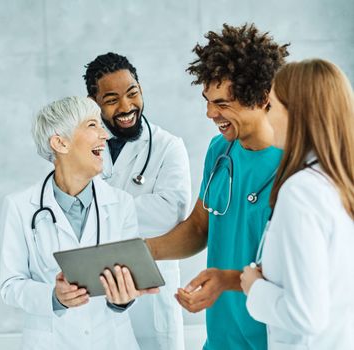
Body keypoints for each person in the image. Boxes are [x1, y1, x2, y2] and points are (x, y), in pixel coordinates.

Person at [146, 23, 289, 349]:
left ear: (262, 98)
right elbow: (200, 227)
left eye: (222, 103)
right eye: (208, 100)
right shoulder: (219, 150)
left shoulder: (295, 166)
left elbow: (298, 270)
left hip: (273, 339)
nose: (211, 113)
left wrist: (226, 281)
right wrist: (143, 252)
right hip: (221, 339)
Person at [0, 96, 158, 350]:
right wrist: (54, 296)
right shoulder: (20, 207)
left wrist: (122, 299)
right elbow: (10, 286)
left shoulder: (121, 203)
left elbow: (127, 279)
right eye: (93, 125)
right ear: (60, 142)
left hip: (112, 341)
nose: (105, 135)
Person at [240, 59, 354, 349]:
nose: (267, 118)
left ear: (296, 114)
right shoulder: (338, 184)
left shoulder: (301, 192)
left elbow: (305, 315)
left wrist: (255, 287)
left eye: (272, 107)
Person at [83, 52, 191, 350]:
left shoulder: (169, 147)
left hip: (152, 291)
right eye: (112, 99)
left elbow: (172, 212)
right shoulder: (82, 146)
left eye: (133, 93)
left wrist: (99, 208)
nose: (126, 107)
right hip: (97, 287)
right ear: (94, 103)